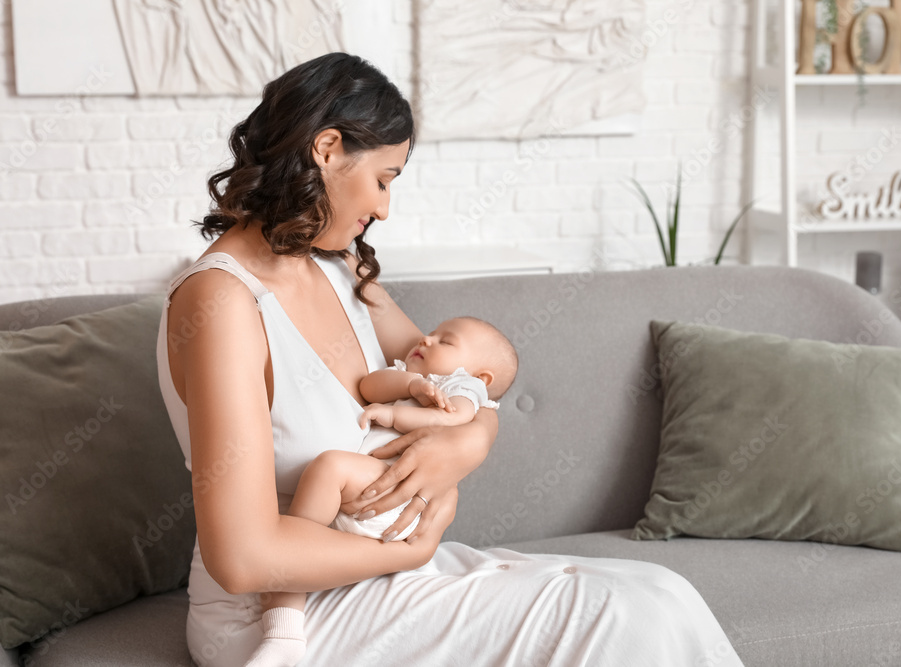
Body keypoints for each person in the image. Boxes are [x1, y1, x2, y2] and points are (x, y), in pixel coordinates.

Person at [156, 51, 744, 666]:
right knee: (621, 617)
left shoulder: (336, 263)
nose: (383, 209)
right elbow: (244, 557)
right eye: (383, 179)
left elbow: (464, 383)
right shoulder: (221, 302)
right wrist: (404, 554)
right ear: (326, 148)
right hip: (276, 613)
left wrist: (466, 445)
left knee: (661, 591)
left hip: (372, 568)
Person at [246, 316, 518, 665]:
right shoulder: (415, 377)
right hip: (371, 493)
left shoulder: (465, 386)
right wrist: (410, 385)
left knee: (329, 468)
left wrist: (395, 417)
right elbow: (370, 387)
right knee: (323, 488)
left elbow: (453, 419)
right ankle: (285, 620)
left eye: (446, 341)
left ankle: (285, 618)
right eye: (432, 332)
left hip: (396, 492)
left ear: (482, 377)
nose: (428, 339)